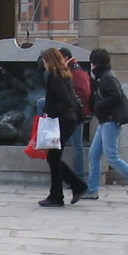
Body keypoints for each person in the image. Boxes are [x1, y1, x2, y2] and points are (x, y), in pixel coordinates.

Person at [82, 48, 128, 202]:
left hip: (110, 121)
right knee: (94, 155)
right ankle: (92, 190)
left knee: (112, 157)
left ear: (95, 63)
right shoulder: (104, 77)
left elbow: (116, 96)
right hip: (105, 121)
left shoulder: (107, 78)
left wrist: (99, 106)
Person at [38, 48, 89, 207]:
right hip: (67, 120)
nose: (44, 64)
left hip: (63, 120)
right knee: (53, 158)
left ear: (50, 61)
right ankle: (73, 187)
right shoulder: (63, 74)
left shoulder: (56, 77)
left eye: (45, 60)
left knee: (53, 158)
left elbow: (67, 101)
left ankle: (59, 195)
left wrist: (50, 111)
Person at [60, 47, 91, 180]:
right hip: (74, 112)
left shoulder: (75, 70)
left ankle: (79, 176)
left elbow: (84, 93)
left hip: (76, 114)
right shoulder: (71, 69)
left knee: (77, 145)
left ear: (65, 57)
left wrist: (73, 107)